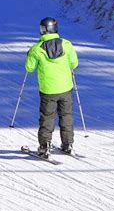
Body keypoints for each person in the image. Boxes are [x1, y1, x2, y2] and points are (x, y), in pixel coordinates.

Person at [25, 17, 79, 158]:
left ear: (43, 30)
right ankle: (68, 144)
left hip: (48, 90)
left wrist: (28, 55)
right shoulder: (66, 44)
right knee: (66, 116)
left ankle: (45, 146)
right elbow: (74, 63)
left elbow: (29, 68)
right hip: (66, 87)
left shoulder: (37, 49)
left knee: (47, 118)